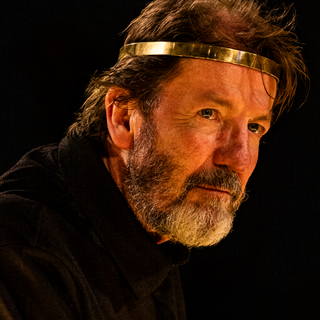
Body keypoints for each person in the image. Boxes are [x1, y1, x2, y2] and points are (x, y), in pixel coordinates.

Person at [0, 0, 307, 319]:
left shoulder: (152, 231)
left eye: (255, 127)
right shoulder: (20, 254)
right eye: (208, 114)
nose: (239, 158)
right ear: (123, 117)